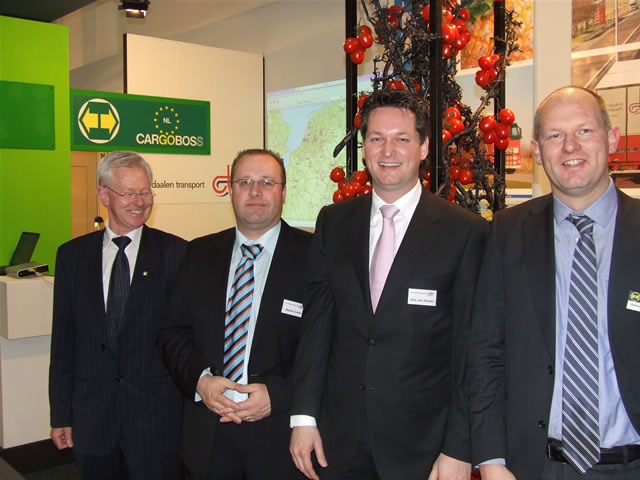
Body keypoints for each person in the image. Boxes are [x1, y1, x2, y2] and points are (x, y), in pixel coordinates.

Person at [289, 89, 488, 480]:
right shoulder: (333, 222)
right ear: (364, 149)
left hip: (423, 448)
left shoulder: (465, 232)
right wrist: (304, 417)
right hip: (338, 441)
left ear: (424, 147)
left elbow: (470, 349)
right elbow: (316, 328)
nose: (388, 151)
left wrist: (459, 446)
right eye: (377, 138)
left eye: (402, 139)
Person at [467, 86, 640, 480]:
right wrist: (491, 460)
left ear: (612, 138)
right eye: (555, 135)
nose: (570, 147)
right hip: (536, 466)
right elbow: (486, 351)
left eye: (584, 131)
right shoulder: (508, 233)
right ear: (538, 150)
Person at [158, 149, 311, 480]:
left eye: (267, 182)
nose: (255, 191)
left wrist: (278, 394)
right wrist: (200, 381)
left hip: (280, 438)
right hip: (209, 437)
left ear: (284, 192)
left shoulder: (314, 256)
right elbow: (173, 333)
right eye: (245, 182)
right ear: (230, 190)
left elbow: (326, 346)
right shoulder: (199, 253)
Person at [49, 151, 187, 480]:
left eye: (145, 192)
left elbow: (185, 339)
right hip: (93, 421)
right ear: (103, 195)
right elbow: (64, 343)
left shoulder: (177, 254)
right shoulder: (72, 257)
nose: (140, 202)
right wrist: (61, 414)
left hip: (156, 423)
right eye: (128, 193)